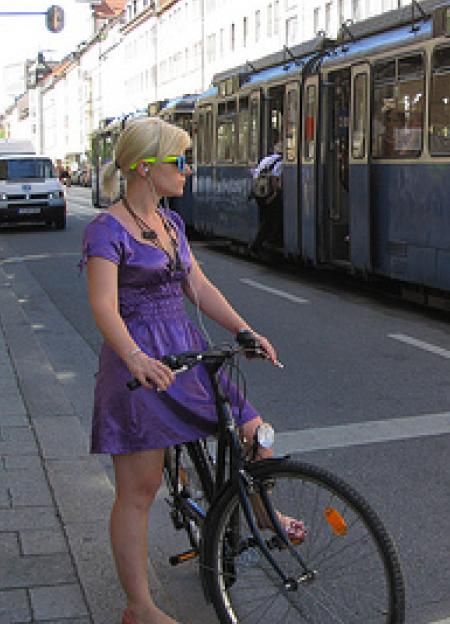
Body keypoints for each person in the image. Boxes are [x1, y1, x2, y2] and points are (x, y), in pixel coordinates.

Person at [80, 117, 298, 624]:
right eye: (180, 161)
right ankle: (140, 607)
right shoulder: (105, 230)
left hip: (186, 351)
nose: (190, 171)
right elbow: (104, 308)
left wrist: (245, 330)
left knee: (253, 432)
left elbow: (197, 287)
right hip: (139, 363)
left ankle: (262, 509)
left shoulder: (172, 224)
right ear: (142, 167)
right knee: (139, 492)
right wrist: (134, 356)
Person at [250, 135, 284, 257]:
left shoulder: (267, 159)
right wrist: (275, 193)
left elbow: (255, 175)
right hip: (268, 194)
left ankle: (264, 244)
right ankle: (259, 244)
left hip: (260, 193)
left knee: (265, 218)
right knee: (271, 220)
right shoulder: (280, 162)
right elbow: (275, 176)